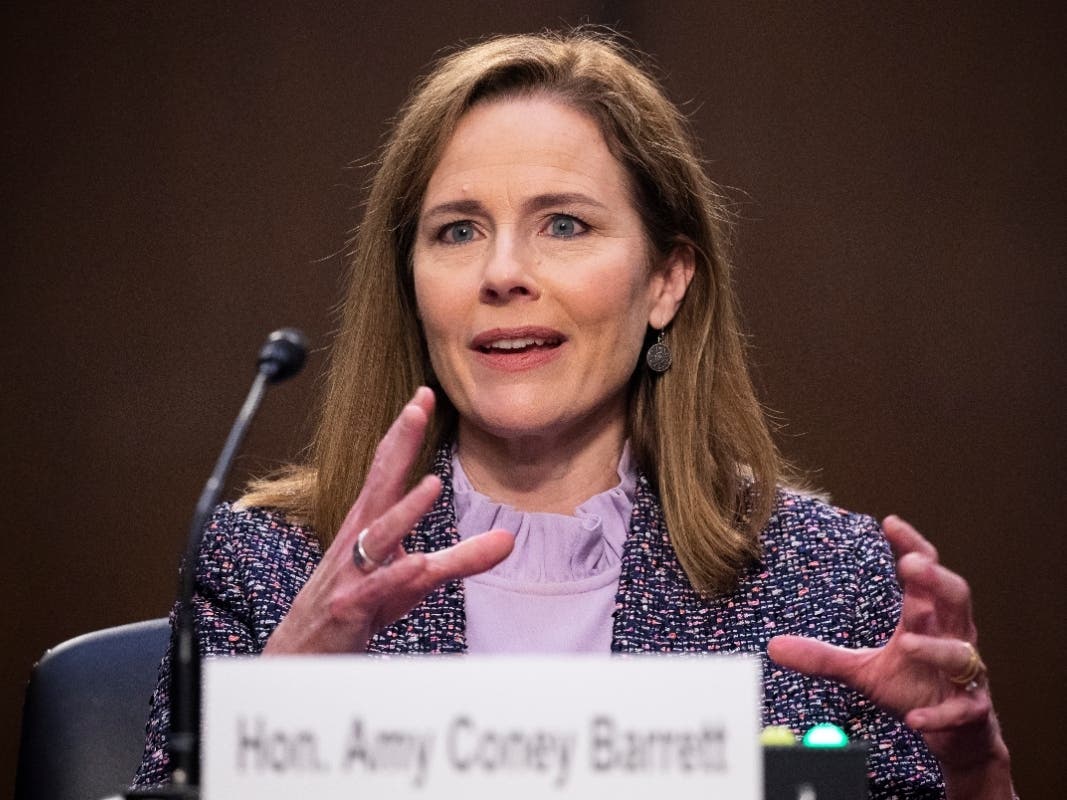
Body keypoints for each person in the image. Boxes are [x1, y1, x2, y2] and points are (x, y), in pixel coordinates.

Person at [134, 29, 1015, 798]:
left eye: (563, 225)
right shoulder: (267, 571)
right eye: (457, 230)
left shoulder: (824, 579)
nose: (501, 272)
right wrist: (288, 692)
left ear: (666, 281)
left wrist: (975, 777)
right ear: (411, 285)